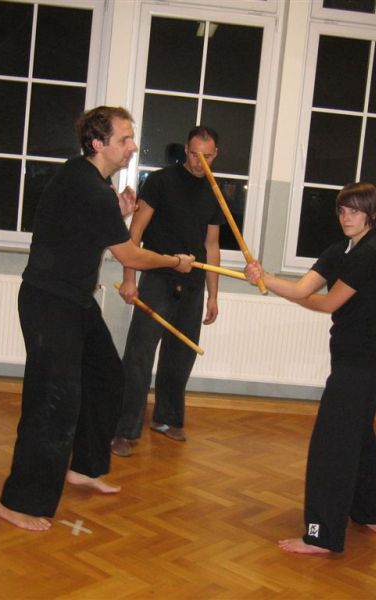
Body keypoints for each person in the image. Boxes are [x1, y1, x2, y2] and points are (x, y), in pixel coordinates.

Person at [0, 106, 196, 532]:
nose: (132, 145)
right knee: (53, 401)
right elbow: (130, 256)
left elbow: (82, 228)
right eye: (124, 138)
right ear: (98, 143)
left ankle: (84, 467)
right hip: (50, 304)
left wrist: (116, 213)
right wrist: (174, 261)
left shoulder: (90, 181)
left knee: (107, 377)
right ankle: (18, 501)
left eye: (131, 137)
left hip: (74, 301)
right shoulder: (88, 187)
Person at [244, 182, 376, 555]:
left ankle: (321, 535)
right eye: (342, 210)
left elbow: (326, 304)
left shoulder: (370, 254)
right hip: (355, 362)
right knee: (358, 438)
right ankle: (370, 513)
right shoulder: (340, 250)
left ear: (371, 214)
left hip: (362, 366)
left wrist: (297, 296)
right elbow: (300, 289)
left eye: (355, 211)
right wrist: (262, 277)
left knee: (332, 447)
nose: (346, 217)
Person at [111, 127, 226, 457]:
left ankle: (167, 418)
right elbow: (135, 231)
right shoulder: (161, 181)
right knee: (139, 355)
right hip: (158, 277)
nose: (199, 161)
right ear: (186, 150)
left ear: (216, 155)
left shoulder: (215, 191)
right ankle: (124, 430)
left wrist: (213, 295)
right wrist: (130, 278)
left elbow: (212, 246)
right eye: (194, 154)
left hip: (194, 282)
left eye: (207, 156)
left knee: (181, 354)